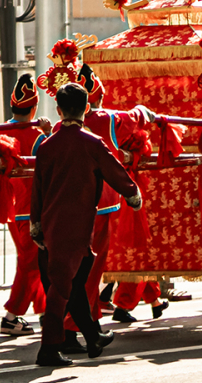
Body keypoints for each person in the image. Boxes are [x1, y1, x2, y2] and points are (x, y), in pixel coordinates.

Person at [30, 81, 141, 368]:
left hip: (51, 223)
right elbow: (114, 170)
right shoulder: (92, 143)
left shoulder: (47, 145)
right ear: (87, 108)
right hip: (76, 225)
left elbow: (37, 187)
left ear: (57, 110)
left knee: (76, 282)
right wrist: (132, 193)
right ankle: (49, 348)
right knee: (62, 287)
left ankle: (92, 337)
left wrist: (36, 223)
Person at [69, 64, 153, 333]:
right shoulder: (105, 121)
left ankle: (87, 319)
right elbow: (133, 120)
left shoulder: (60, 128)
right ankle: (77, 324)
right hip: (101, 205)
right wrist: (141, 110)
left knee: (73, 268)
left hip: (67, 207)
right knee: (90, 269)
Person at [0, 75, 47, 337]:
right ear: (34, 107)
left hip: (12, 207)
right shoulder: (37, 135)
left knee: (30, 260)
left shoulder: (2, 130)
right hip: (31, 207)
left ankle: (44, 309)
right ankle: (12, 315)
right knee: (30, 262)